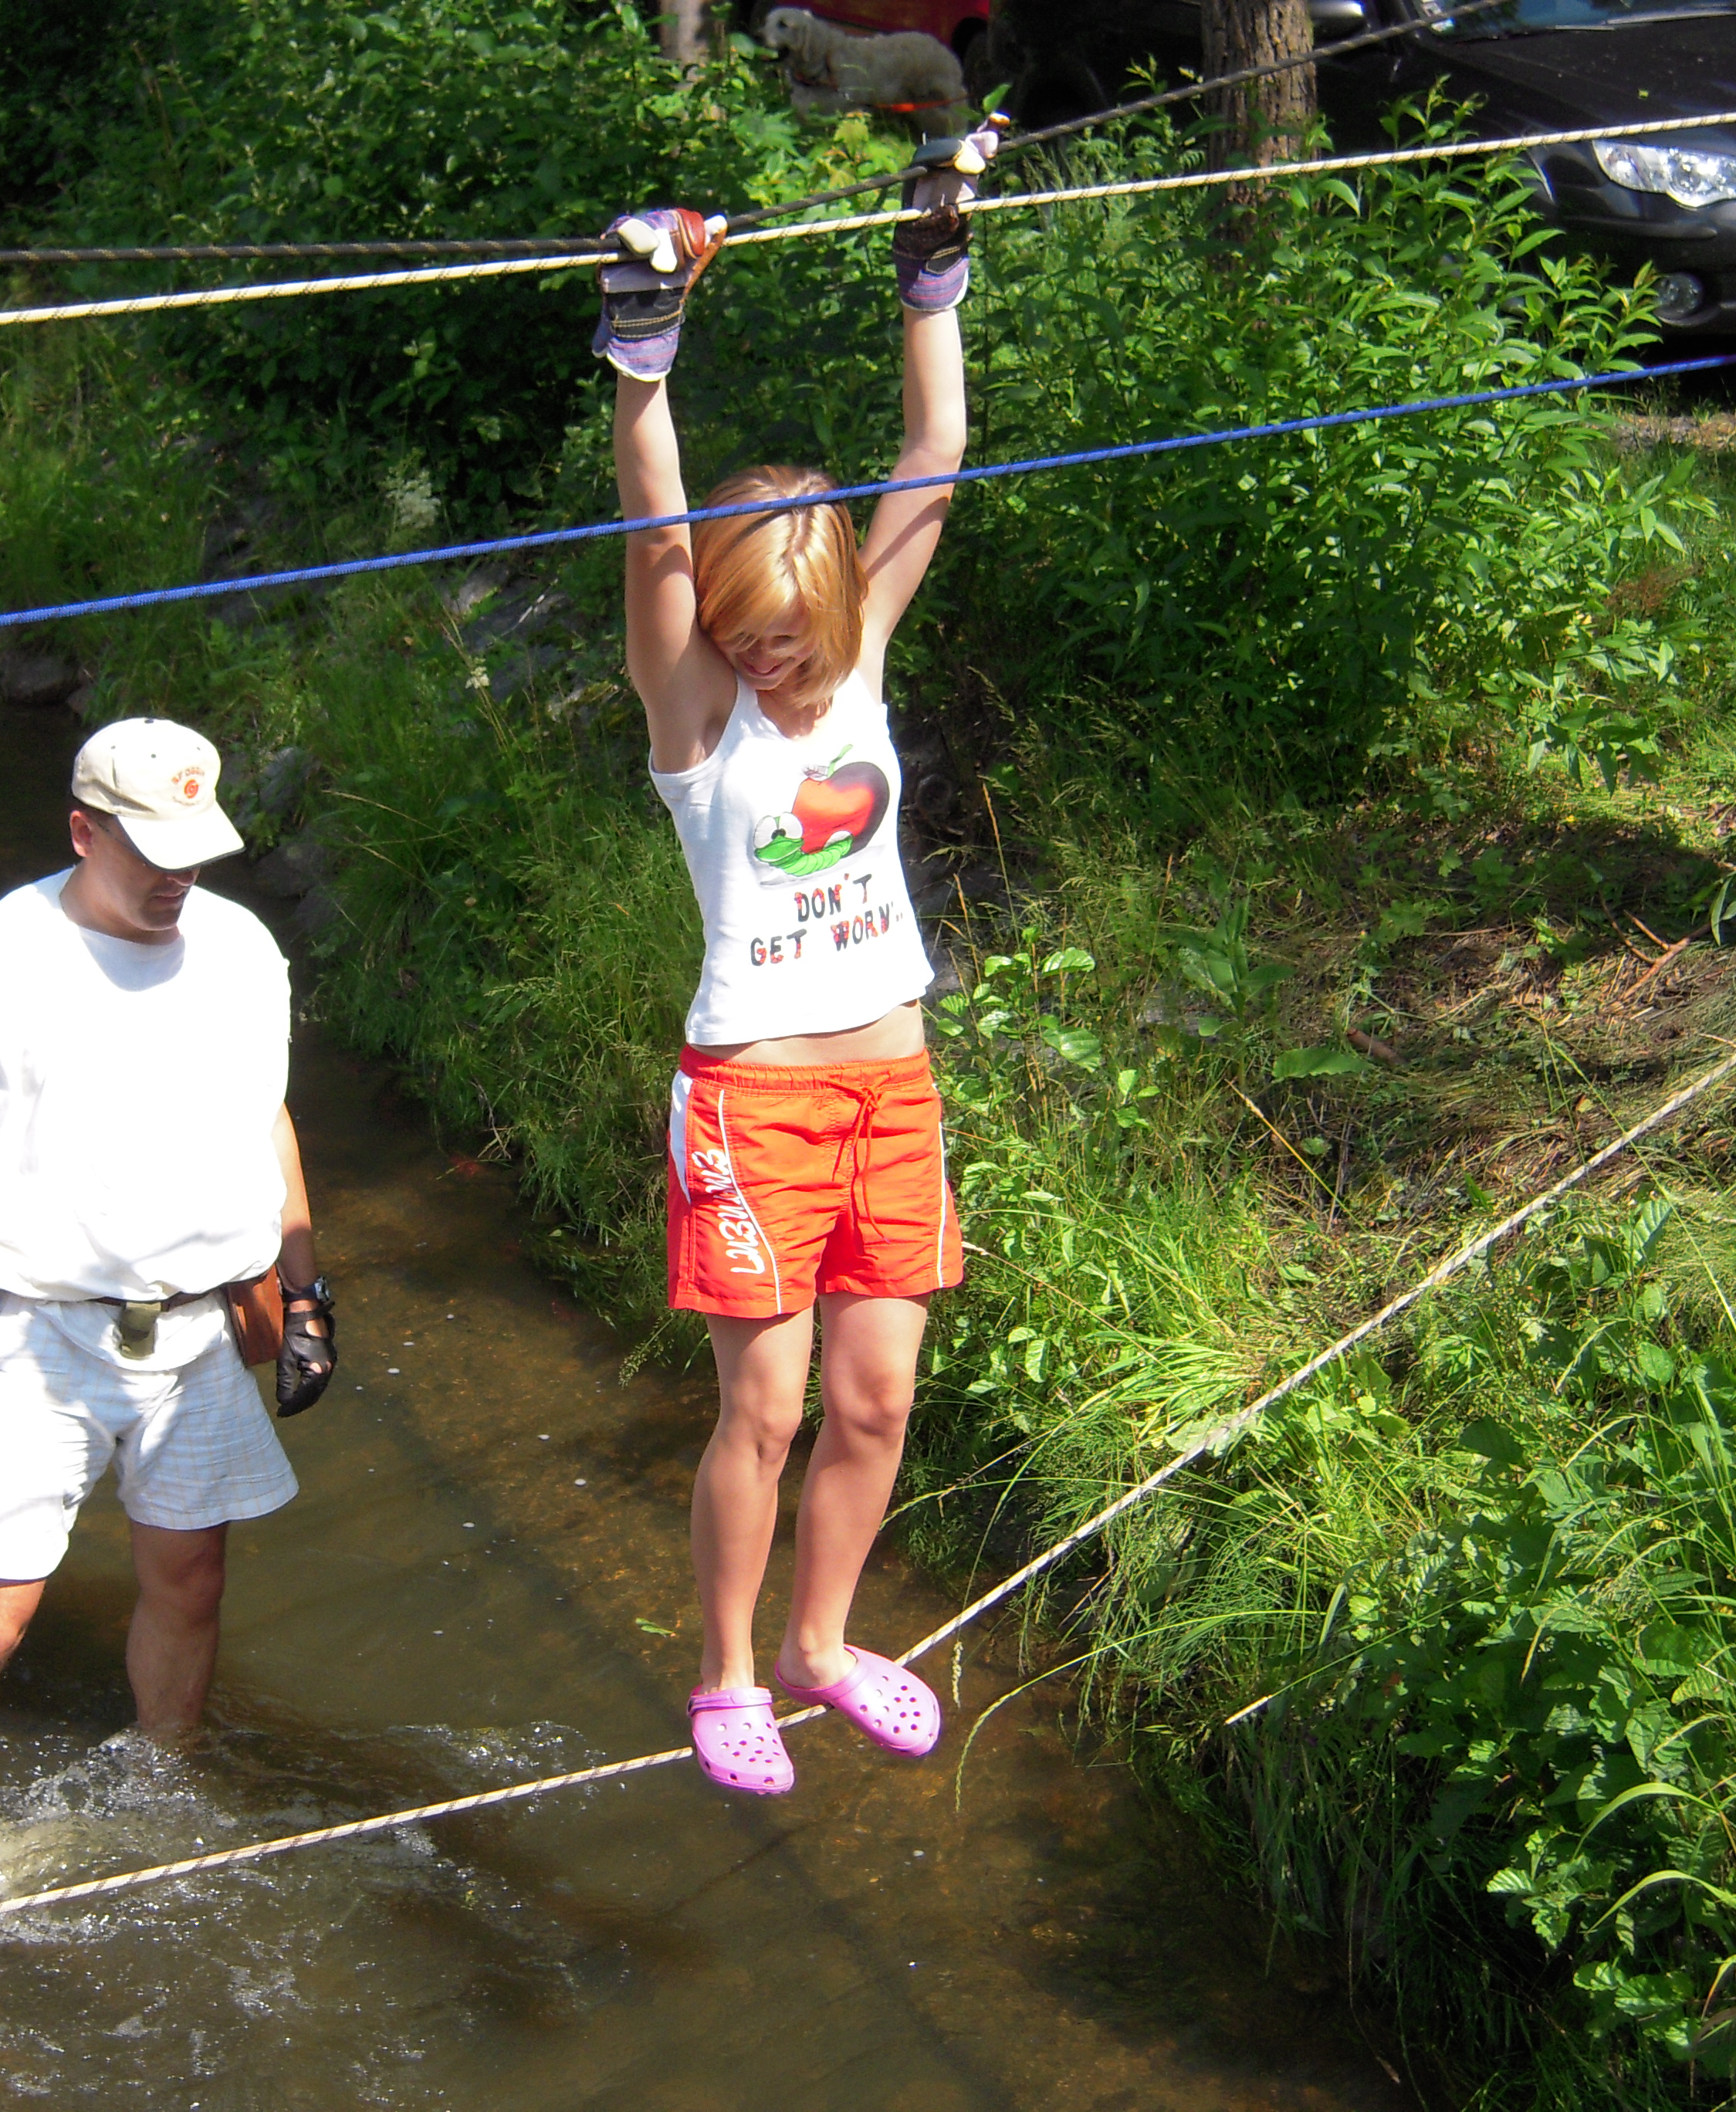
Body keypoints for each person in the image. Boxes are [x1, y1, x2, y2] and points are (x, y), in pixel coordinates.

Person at [595, 119, 1007, 1795]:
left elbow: (936, 445)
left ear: (833, 609)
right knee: (762, 1409)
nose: (765, 663)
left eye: (787, 639)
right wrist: (645, 353)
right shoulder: (697, 713)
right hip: (754, 1102)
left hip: (892, 1088)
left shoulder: (864, 661)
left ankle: (819, 1648)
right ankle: (722, 1679)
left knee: (878, 1402)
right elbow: (658, 543)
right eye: (741, 639)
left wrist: (934, 256)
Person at [0, 717, 338, 1844]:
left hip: (199, 1333)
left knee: (192, 1583)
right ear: (83, 831)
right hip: (32, 1337)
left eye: (195, 853)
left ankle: (164, 1798)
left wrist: (306, 1296)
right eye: (153, 853)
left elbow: (265, 1121)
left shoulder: (239, 953)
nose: (179, 878)